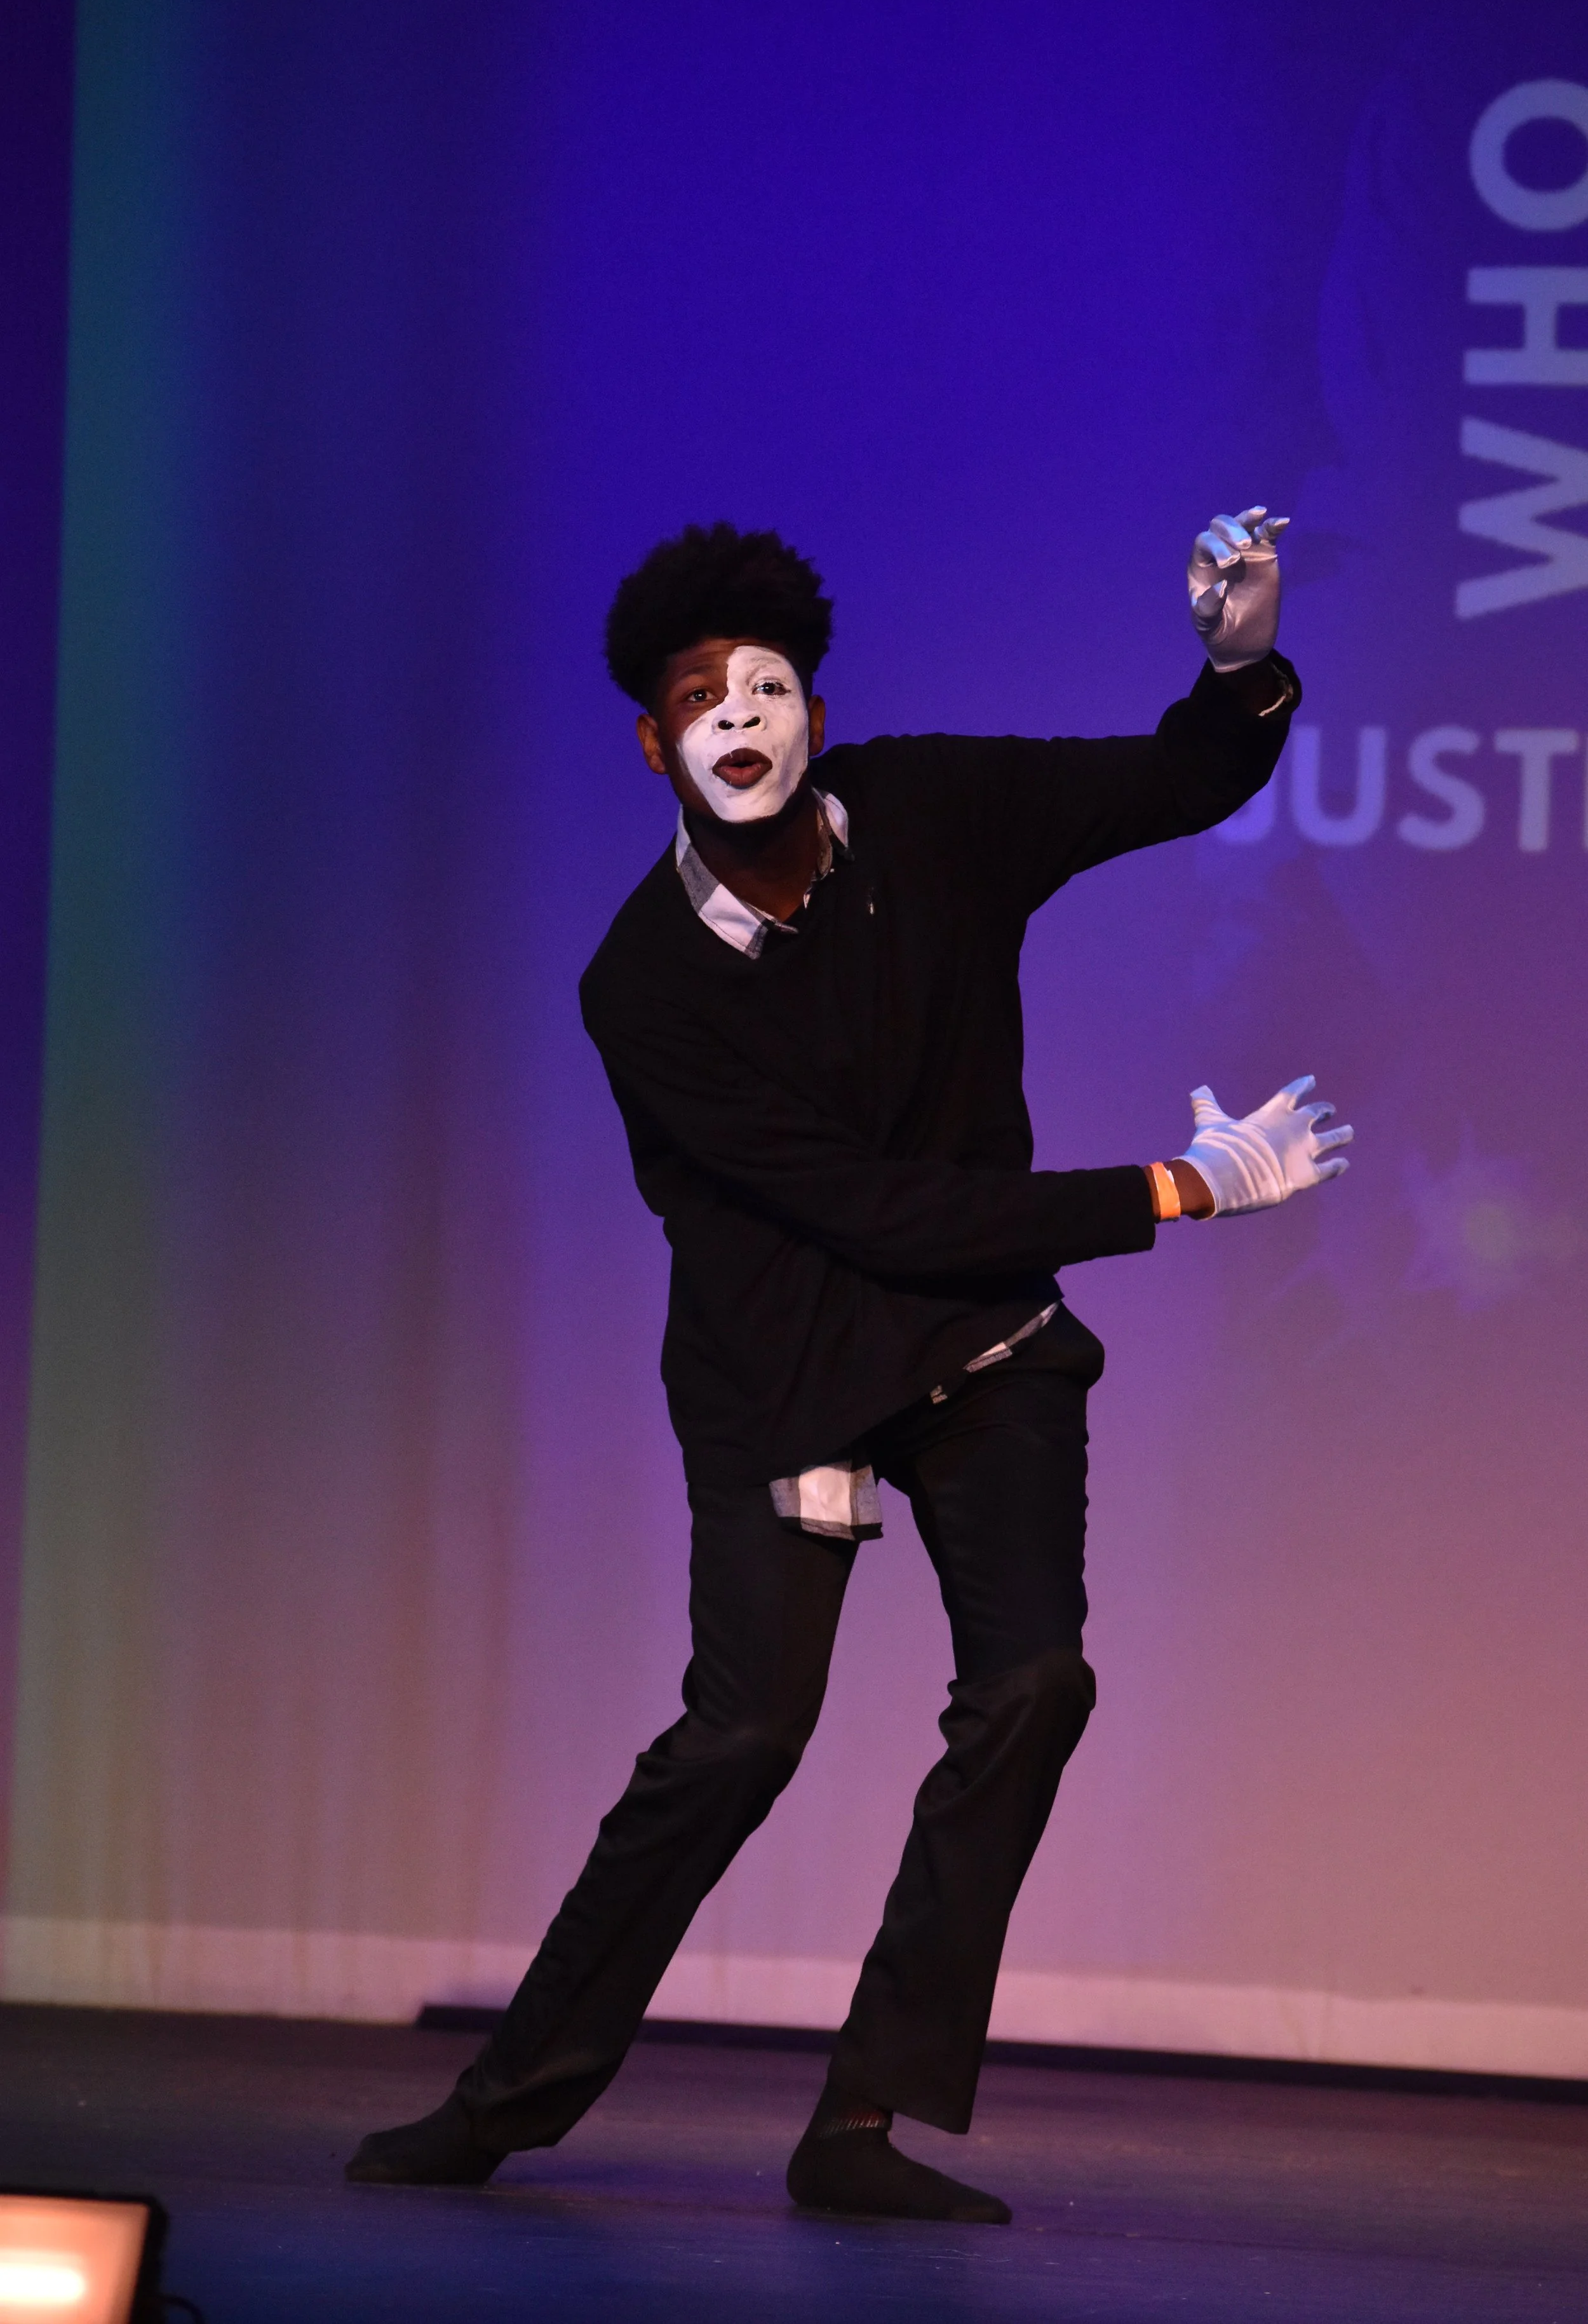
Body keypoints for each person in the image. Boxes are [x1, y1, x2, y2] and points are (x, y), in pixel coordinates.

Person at [346, 510, 1351, 2222]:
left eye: (767, 686)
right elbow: (868, 1208)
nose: (737, 718)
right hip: (787, 1364)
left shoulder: (928, 810)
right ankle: (502, 2100)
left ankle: (862, 2122)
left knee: (1036, 1683)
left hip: (985, 1338)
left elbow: (1168, 783)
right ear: (651, 740)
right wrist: (1173, 1187)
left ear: (812, 708)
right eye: (698, 699)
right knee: (740, 1737)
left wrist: (1237, 667)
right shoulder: (641, 982)